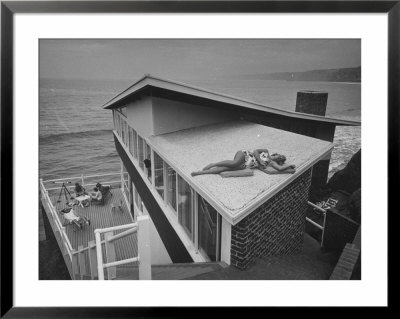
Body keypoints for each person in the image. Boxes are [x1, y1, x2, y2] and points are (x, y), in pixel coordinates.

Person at [191, 149, 296, 176]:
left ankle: (199, 173)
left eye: (281, 159)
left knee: (223, 169)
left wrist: (289, 165)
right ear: (276, 153)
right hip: (245, 155)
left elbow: (280, 169)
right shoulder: (266, 152)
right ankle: (212, 164)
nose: (279, 157)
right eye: (280, 155)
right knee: (233, 163)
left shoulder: (270, 164)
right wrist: (260, 161)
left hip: (244, 165)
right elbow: (255, 151)